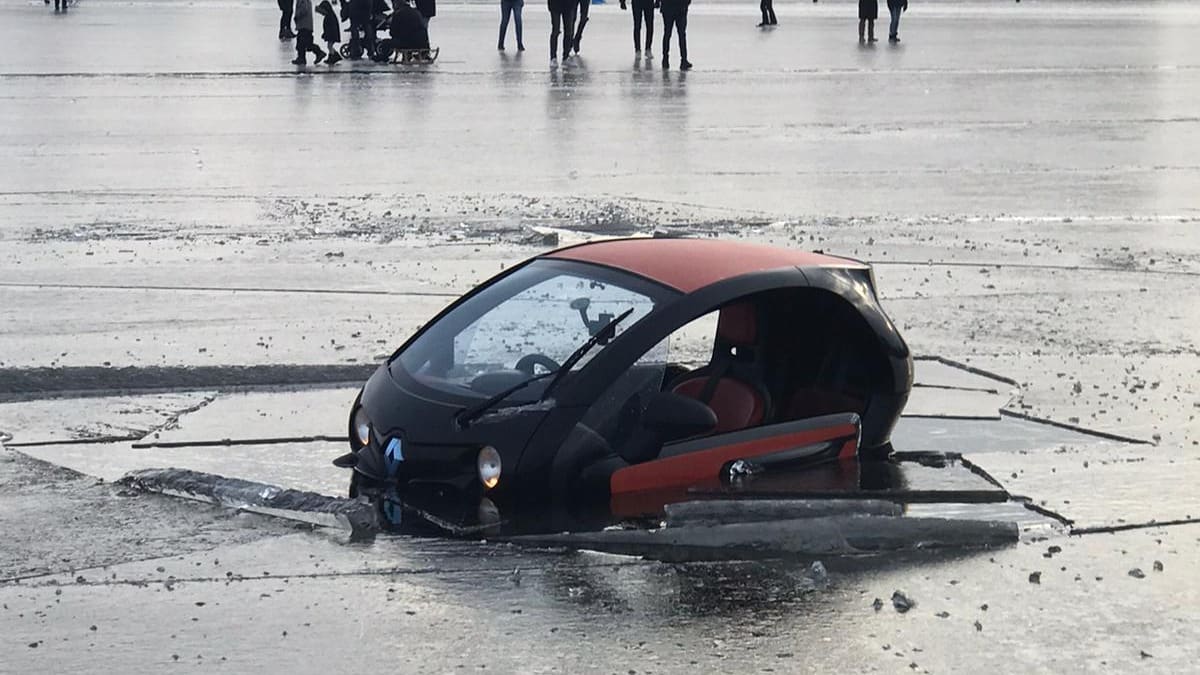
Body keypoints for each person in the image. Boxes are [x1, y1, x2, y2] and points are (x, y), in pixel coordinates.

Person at [292, 0, 327, 65]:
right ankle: (302, 58)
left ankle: (317, 53)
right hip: (306, 25)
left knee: (303, 43)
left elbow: (304, 9)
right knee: (304, 43)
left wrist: (297, 16)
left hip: (304, 25)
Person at [659, 0, 690, 70]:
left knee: (667, 33)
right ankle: (684, 59)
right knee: (681, 34)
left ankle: (665, 59)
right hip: (681, 7)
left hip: (667, 6)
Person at [547, 0, 577, 66]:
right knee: (556, 30)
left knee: (568, 32)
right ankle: (553, 57)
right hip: (555, 4)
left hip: (569, 5)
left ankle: (566, 56)